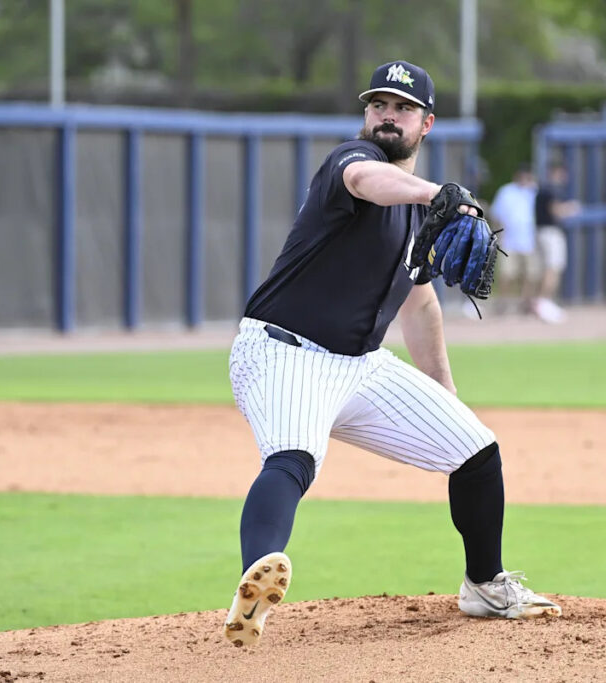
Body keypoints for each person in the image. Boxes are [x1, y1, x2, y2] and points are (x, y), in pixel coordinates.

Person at [223, 60, 562, 649]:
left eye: (402, 108)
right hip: (283, 350)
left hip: (360, 366)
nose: (387, 115)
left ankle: (484, 585)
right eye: (378, 104)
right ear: (366, 115)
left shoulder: (416, 218)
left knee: (476, 450)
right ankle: (258, 578)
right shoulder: (351, 165)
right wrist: (440, 194)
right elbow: (367, 182)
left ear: (426, 123)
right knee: (294, 458)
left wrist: (446, 400)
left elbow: (421, 307)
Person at [488, 164, 541, 315]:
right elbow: (497, 214)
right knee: (507, 274)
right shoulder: (506, 192)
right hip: (509, 240)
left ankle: (525, 303)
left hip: (529, 240)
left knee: (530, 275)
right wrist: (499, 235)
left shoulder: (533, 192)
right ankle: (503, 303)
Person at [533, 162, 581, 324]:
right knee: (553, 268)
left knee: (548, 268)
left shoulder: (542, 189)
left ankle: (544, 302)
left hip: (541, 232)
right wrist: (570, 208)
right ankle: (543, 302)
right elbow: (556, 210)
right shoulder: (550, 189)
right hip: (550, 233)